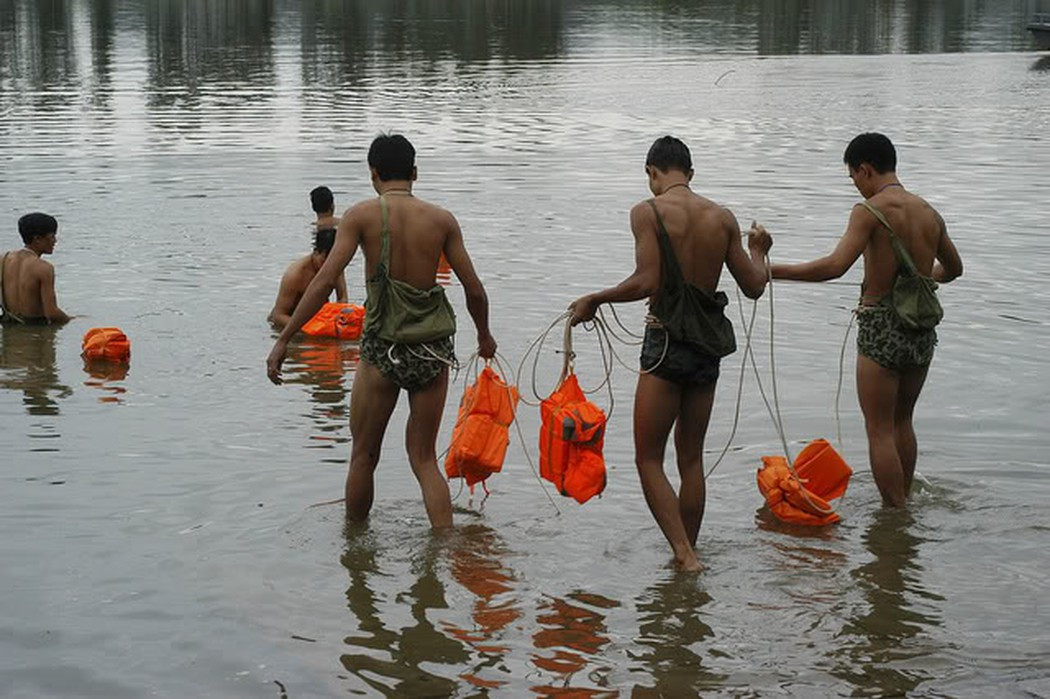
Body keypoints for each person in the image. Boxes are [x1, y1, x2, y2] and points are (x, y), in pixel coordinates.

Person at [266, 134, 497, 528]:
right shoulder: (442, 220)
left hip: (383, 350)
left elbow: (324, 281)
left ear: (373, 175)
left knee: (364, 455)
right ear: (415, 173)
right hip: (431, 351)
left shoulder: (361, 216)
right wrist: (484, 336)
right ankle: (440, 551)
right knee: (424, 459)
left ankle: (356, 557)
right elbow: (474, 288)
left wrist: (284, 341)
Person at [569, 136, 771, 572]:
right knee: (691, 457)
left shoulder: (647, 212)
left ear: (651, 173)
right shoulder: (722, 218)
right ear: (691, 174)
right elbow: (755, 285)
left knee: (648, 458)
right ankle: (688, 549)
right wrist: (760, 251)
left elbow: (646, 281)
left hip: (665, 346)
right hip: (707, 349)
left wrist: (596, 299)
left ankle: (683, 554)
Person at [755, 132, 963, 507]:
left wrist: (773, 271)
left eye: (853, 176)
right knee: (903, 421)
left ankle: (894, 514)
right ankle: (903, 503)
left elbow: (834, 267)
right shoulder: (929, 212)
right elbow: (954, 269)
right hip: (921, 330)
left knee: (879, 430)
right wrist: (918, 279)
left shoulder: (869, 212)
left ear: (865, 169)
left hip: (881, 327)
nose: (855, 184)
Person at [267, 187, 349, 329]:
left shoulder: (334, 265)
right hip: (288, 322)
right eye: (324, 260)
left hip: (317, 320)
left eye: (331, 261)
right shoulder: (295, 274)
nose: (327, 267)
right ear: (316, 252)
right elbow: (278, 316)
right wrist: (310, 328)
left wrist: (335, 321)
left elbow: (343, 298)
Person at [0, 213, 71, 325]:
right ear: (37, 239)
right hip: (37, 330)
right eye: (52, 236)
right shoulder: (44, 268)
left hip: (10, 331)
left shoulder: (3, 259)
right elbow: (52, 313)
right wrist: (72, 321)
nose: (55, 241)